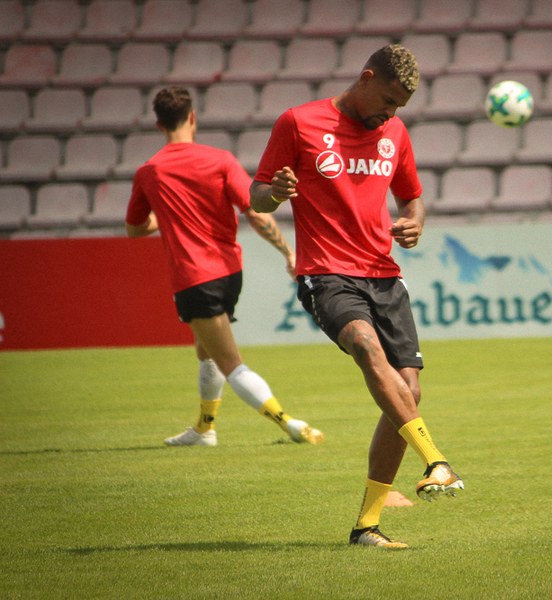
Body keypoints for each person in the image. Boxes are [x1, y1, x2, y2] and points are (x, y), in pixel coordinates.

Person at [250, 44, 463, 549]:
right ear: (366, 78)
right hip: (326, 273)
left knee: (407, 393)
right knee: (366, 347)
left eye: (400, 107)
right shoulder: (299, 123)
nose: (391, 113)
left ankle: (367, 526)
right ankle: (436, 460)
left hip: (384, 275)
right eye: (388, 100)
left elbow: (412, 197)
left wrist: (414, 224)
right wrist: (276, 190)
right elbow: (257, 198)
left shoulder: (395, 133)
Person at [126, 86, 323, 447]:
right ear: (192, 118)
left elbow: (135, 228)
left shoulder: (149, 172)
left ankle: (290, 424)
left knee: (231, 363)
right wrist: (288, 253)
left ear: (159, 125)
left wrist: (165, 217)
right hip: (230, 273)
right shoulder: (220, 160)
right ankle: (205, 429)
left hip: (193, 278)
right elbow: (256, 213)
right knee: (206, 350)